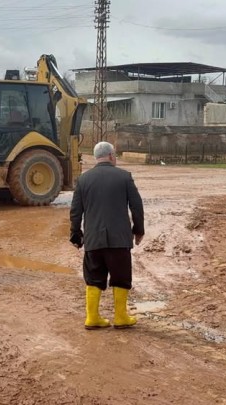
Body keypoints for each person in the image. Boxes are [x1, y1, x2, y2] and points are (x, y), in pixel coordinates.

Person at [70, 141, 144, 330]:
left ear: (96, 157)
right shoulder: (124, 177)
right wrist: (138, 230)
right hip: (119, 239)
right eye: (115, 155)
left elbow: (76, 211)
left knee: (94, 277)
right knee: (121, 277)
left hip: (94, 240)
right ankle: (120, 317)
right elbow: (136, 206)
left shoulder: (83, 180)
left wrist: (76, 234)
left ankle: (92, 318)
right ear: (111, 156)